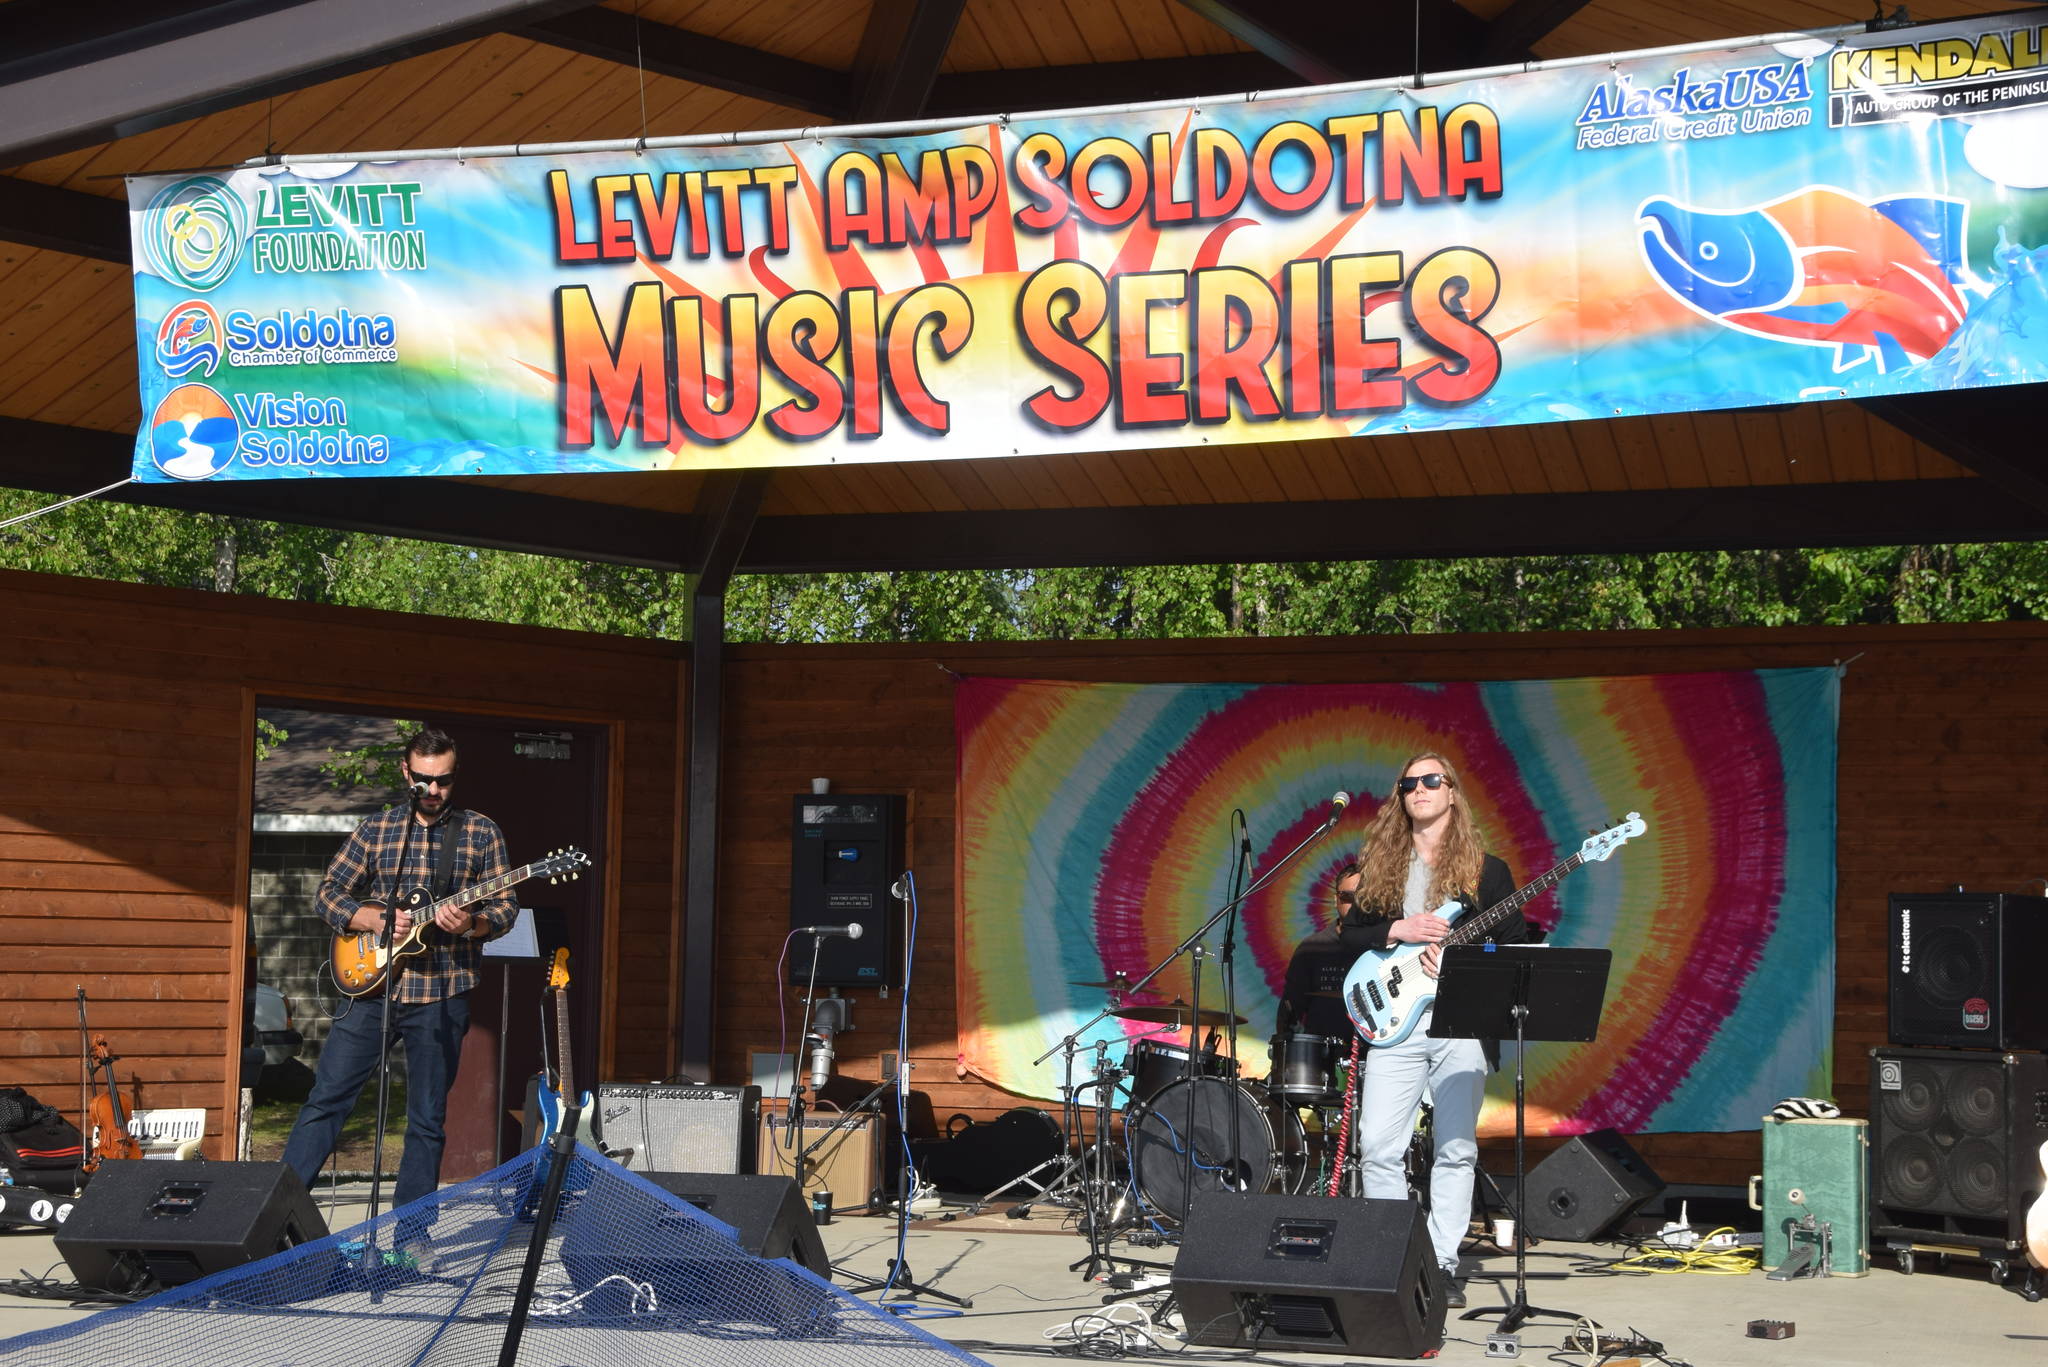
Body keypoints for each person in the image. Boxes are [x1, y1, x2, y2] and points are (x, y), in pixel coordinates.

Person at [282, 728, 516, 1215]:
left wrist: (471, 924)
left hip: (442, 990)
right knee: (326, 1101)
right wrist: (367, 917)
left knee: (427, 1119)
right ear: (406, 773)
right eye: (424, 781)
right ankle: (273, 1218)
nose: (433, 791)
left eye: (444, 781)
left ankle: (410, 1240)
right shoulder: (378, 829)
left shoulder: (480, 832)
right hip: (369, 989)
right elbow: (328, 892)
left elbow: (506, 908)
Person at [1338, 752, 1527, 1309]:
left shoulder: (1488, 873)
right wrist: (1395, 927)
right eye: (1408, 783)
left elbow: (1514, 944)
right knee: (1376, 1147)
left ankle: (1441, 1263)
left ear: (1452, 793)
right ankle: (1393, 1256)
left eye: (1430, 780)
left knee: (1456, 1149)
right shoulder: (1381, 868)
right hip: (1394, 1025)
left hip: (1460, 1021)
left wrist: (1462, 964)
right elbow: (1349, 936)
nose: (1418, 789)